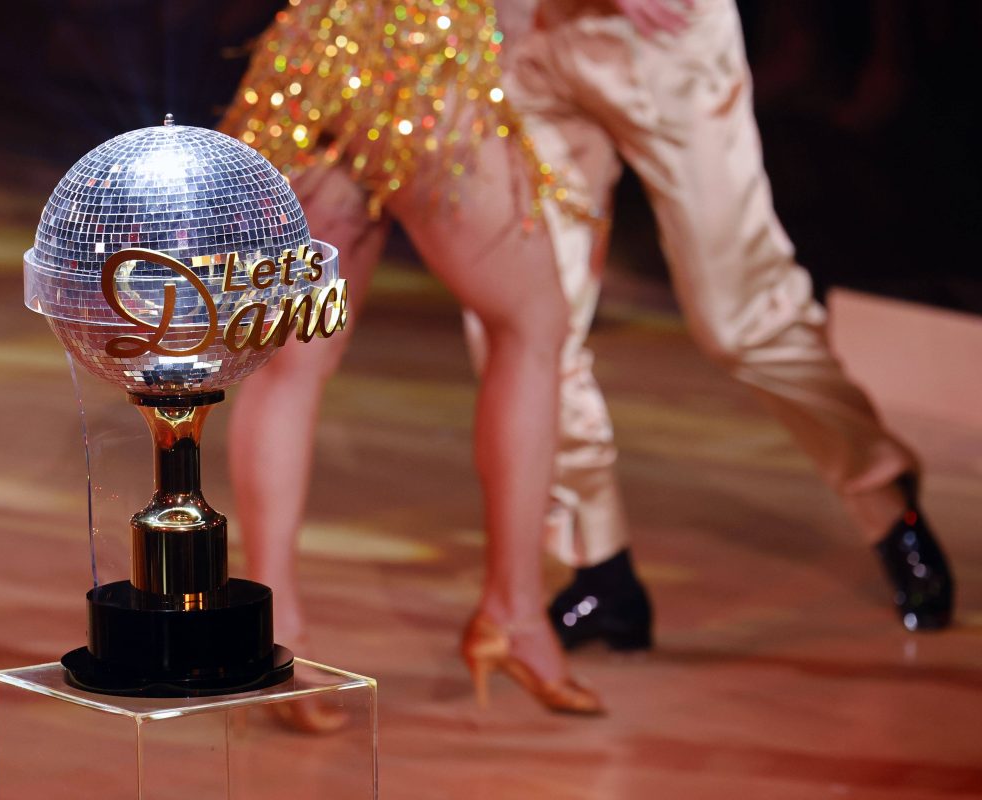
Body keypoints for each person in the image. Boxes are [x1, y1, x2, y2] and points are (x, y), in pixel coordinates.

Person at [475, 0, 954, 650]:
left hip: (659, 41)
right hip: (525, 35)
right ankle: (598, 564)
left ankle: (880, 489)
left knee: (742, 319)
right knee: (526, 324)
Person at [220, 0, 601, 716]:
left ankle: (274, 636)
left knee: (291, 358)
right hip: (419, 61)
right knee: (534, 323)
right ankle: (514, 613)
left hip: (311, 54)